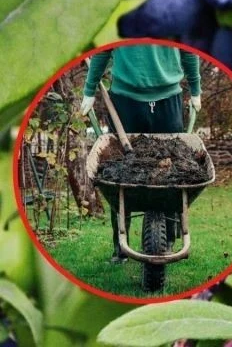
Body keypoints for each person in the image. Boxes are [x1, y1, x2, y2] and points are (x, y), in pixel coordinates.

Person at [80, 44, 202, 263]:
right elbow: (104, 49)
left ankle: (169, 239)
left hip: (168, 98)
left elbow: (187, 48)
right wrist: (89, 91)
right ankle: (120, 248)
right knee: (117, 171)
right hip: (125, 99)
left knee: (173, 168)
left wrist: (196, 89)